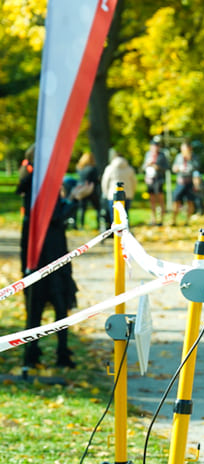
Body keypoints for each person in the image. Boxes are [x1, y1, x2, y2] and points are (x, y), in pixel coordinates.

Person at [18, 147, 86, 371]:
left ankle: (51, 353)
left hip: (44, 252)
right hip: (47, 254)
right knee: (47, 304)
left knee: (46, 305)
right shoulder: (38, 184)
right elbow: (54, 218)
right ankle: (37, 355)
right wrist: (75, 199)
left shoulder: (37, 182)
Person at [101, 149, 136, 226]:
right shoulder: (129, 169)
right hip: (127, 194)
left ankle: (116, 231)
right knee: (125, 214)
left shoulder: (110, 168)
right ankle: (125, 230)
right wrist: (132, 192)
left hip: (112, 194)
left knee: (114, 215)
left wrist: (106, 193)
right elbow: (134, 182)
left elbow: (105, 182)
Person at [170, 141, 199, 226]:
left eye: (185, 150)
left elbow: (197, 168)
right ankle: (173, 220)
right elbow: (174, 168)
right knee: (176, 200)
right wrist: (178, 168)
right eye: (182, 150)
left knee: (190, 201)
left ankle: (187, 221)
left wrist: (190, 159)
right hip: (181, 182)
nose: (184, 152)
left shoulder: (194, 157)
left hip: (190, 182)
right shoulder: (179, 157)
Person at [73, 152, 104, 230]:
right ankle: (98, 224)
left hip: (80, 188)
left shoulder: (79, 168)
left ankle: (80, 225)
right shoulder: (93, 168)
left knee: (82, 208)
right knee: (97, 207)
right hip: (91, 189)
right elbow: (95, 180)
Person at [142, 136, 169, 226]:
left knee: (160, 199)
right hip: (150, 179)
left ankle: (161, 219)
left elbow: (166, 167)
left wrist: (157, 167)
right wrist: (147, 165)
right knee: (152, 199)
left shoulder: (162, 155)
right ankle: (153, 219)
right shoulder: (147, 155)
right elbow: (143, 166)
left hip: (158, 179)